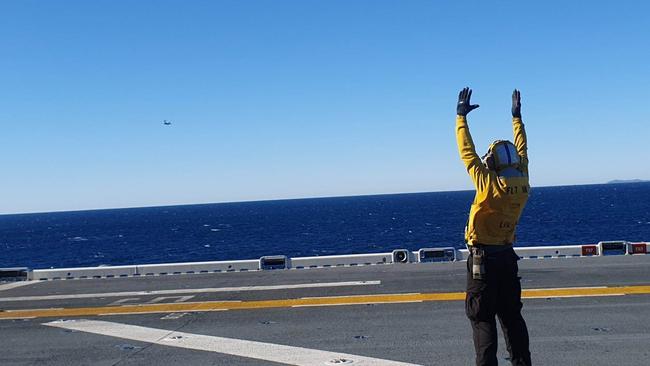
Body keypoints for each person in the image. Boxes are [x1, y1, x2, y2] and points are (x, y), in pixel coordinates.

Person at [455, 87, 532, 366]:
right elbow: (522, 150)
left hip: (482, 261)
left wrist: (461, 117)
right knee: (512, 318)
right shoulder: (522, 180)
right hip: (507, 257)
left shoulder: (489, 183)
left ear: (495, 162)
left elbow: (467, 153)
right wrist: (517, 118)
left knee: (482, 319)